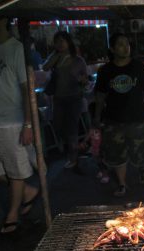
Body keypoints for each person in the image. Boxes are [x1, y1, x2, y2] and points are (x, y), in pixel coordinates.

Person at [93, 33, 144, 197]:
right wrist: (96, 117)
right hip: (113, 120)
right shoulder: (106, 71)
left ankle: (142, 167)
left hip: (137, 119)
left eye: (127, 44)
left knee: (139, 151)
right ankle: (122, 184)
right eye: (120, 44)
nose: (125, 47)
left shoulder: (138, 67)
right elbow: (100, 96)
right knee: (116, 154)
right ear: (112, 49)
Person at [0, 16, 40, 234]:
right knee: (3, 171)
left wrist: (28, 124)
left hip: (12, 121)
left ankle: (12, 214)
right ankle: (27, 192)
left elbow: (27, 90)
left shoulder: (16, 49)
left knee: (15, 171)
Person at [43, 31, 88, 169]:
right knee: (58, 126)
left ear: (68, 42)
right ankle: (70, 147)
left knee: (72, 129)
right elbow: (45, 67)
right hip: (59, 99)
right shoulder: (55, 58)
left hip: (74, 98)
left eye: (62, 41)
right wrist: (56, 55)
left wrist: (82, 81)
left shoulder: (78, 60)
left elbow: (85, 80)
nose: (60, 44)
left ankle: (73, 158)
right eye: (57, 41)